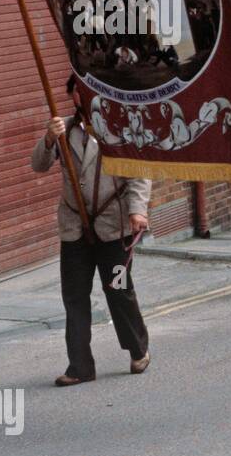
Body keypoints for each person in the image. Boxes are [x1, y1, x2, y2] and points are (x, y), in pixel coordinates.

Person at [31, 75, 151, 387]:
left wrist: (138, 210)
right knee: (74, 297)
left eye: (89, 90)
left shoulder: (120, 127)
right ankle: (80, 366)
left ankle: (138, 349)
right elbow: (38, 165)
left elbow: (140, 171)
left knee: (119, 290)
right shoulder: (65, 129)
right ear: (73, 96)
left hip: (114, 227)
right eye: (77, 91)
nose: (83, 95)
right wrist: (47, 138)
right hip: (75, 230)